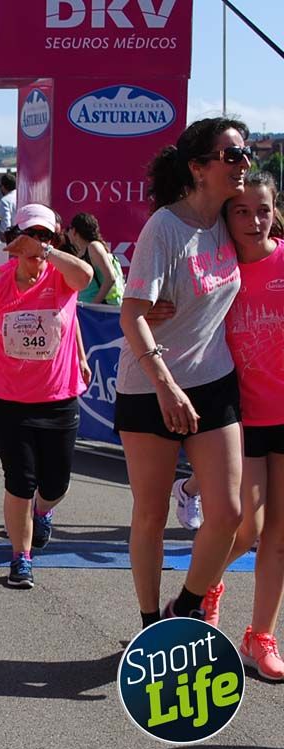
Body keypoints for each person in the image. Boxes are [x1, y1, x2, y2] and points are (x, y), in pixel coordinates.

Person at [114, 116, 248, 630]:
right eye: (231, 155)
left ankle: (184, 607)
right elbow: (131, 315)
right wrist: (166, 386)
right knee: (150, 515)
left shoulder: (232, 219)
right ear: (198, 167)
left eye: (246, 154)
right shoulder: (164, 228)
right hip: (152, 388)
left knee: (229, 514)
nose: (242, 164)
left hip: (213, 382)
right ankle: (150, 626)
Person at [0, 204, 94, 588]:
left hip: (58, 398)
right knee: (20, 480)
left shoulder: (62, 278)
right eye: (31, 236)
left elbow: (84, 279)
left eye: (45, 237)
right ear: (15, 242)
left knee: (55, 484)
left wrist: (79, 355)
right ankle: (21, 557)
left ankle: (43, 512)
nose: (38, 245)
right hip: (6, 400)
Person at [195, 172, 284, 678]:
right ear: (226, 216)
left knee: (279, 536)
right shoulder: (217, 266)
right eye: (242, 211)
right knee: (247, 526)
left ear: (275, 210)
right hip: (239, 416)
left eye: (263, 210)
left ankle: (260, 637)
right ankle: (206, 584)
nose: (254, 221)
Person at [68, 213, 124, 306]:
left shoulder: (94, 247)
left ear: (74, 231)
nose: (67, 233)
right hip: (87, 309)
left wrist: (93, 306)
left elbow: (110, 278)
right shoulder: (81, 253)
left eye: (69, 229)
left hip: (101, 310)